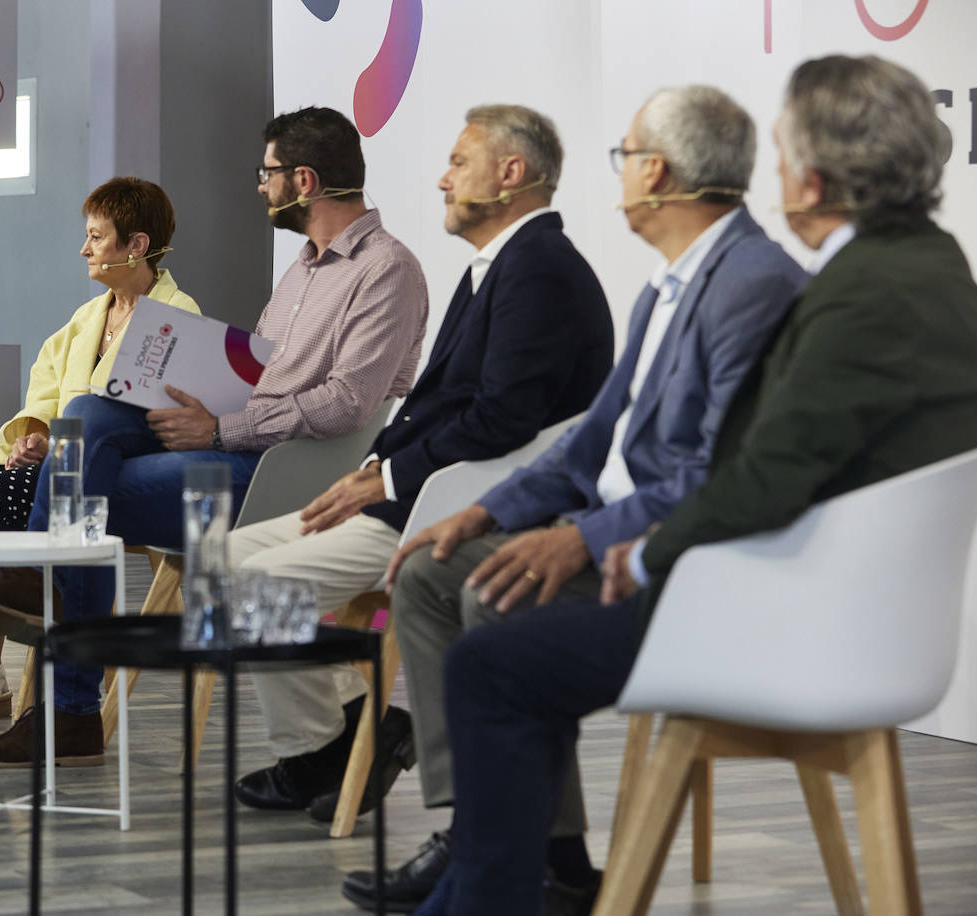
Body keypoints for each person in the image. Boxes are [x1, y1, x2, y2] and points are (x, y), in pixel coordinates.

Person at [419, 55, 977, 916]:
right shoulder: (930, 271)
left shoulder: (855, 294)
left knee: (491, 664)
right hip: (827, 604)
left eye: (787, 151)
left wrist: (641, 553)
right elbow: (690, 454)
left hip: (781, 614)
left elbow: (761, 476)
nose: (777, 175)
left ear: (816, 172)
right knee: (480, 618)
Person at [344, 86, 809, 914]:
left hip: (679, 562)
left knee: (499, 598)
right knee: (431, 572)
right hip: (611, 534)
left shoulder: (751, 283)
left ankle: (514, 857)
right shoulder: (664, 286)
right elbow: (587, 443)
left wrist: (584, 540)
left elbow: (717, 472)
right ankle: (492, 837)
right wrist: (484, 513)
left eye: (626, 156)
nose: (620, 174)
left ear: (658, 171)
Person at [0, 106, 430, 769]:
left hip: (284, 470)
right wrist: (206, 398)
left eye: (269, 172)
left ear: (304, 180)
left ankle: (66, 694)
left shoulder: (386, 269)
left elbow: (346, 404)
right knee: (87, 414)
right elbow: (264, 380)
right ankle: (52, 621)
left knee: (82, 497)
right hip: (234, 444)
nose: (260, 185)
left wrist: (221, 425)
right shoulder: (302, 271)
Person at [227, 104, 614, 823]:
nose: (441, 179)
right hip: (406, 496)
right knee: (222, 562)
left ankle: (332, 746)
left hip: (447, 509)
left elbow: (502, 421)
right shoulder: (496, 269)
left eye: (458, 163)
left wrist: (386, 476)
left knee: (259, 578)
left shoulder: (540, 272)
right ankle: (349, 738)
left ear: (511, 173)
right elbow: (437, 408)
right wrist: (373, 467)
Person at [0, 177, 199, 720]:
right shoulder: (86, 320)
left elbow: (154, 421)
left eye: (96, 237)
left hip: (106, 474)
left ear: (136, 245)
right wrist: (36, 434)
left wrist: (57, 448)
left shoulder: (178, 317)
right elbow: (45, 394)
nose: (85, 249)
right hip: (55, 457)